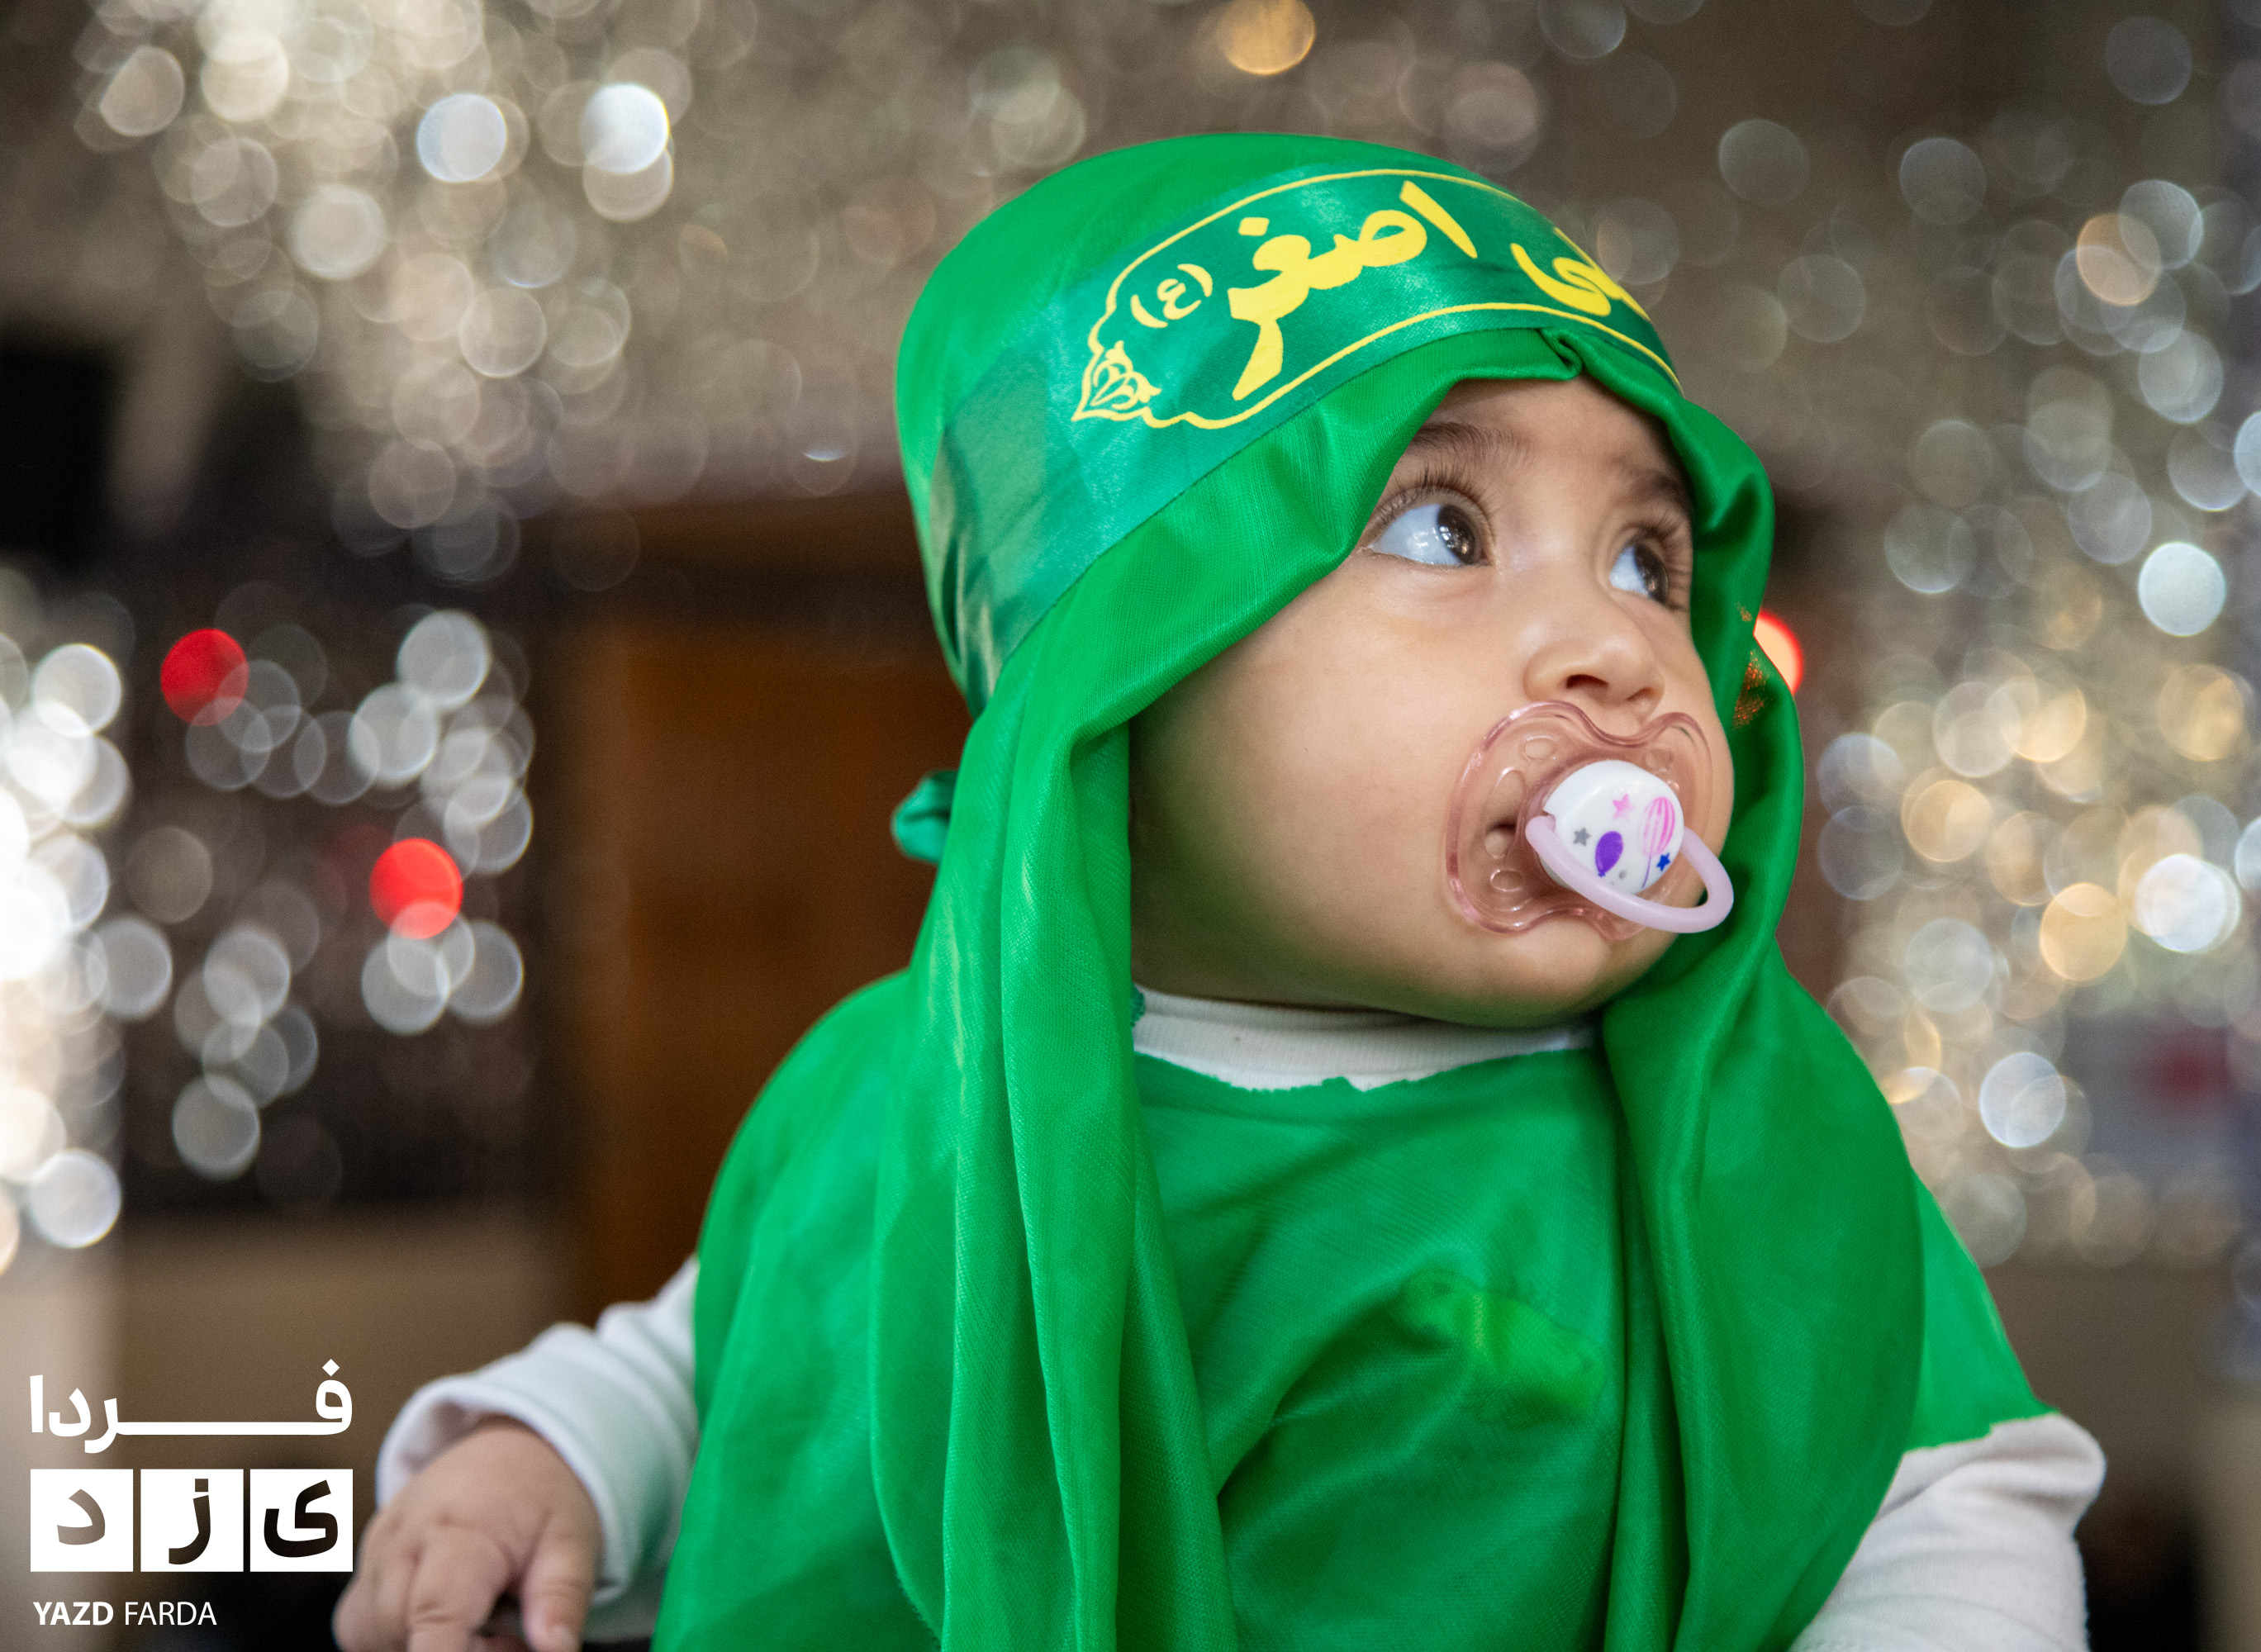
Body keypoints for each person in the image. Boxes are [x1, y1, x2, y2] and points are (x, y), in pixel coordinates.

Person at [336, 134, 2103, 1652]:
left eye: (1650, 559)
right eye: (1442, 529)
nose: (1619, 649)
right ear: (1119, 676)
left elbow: (1937, 1499)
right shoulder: (913, 1089)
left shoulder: (1746, 1140)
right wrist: (547, 1460)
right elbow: (737, 1357)